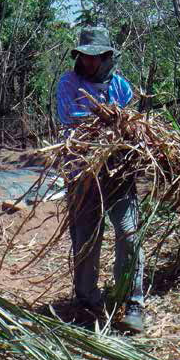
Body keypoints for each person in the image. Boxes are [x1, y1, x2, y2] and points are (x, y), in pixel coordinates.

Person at [56, 26, 145, 333]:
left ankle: (133, 302)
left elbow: (130, 124)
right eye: (84, 57)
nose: (89, 63)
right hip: (82, 171)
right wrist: (106, 118)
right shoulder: (69, 83)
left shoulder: (121, 87)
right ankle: (86, 300)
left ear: (108, 58)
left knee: (128, 232)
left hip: (119, 171)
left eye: (95, 58)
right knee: (85, 237)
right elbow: (69, 118)